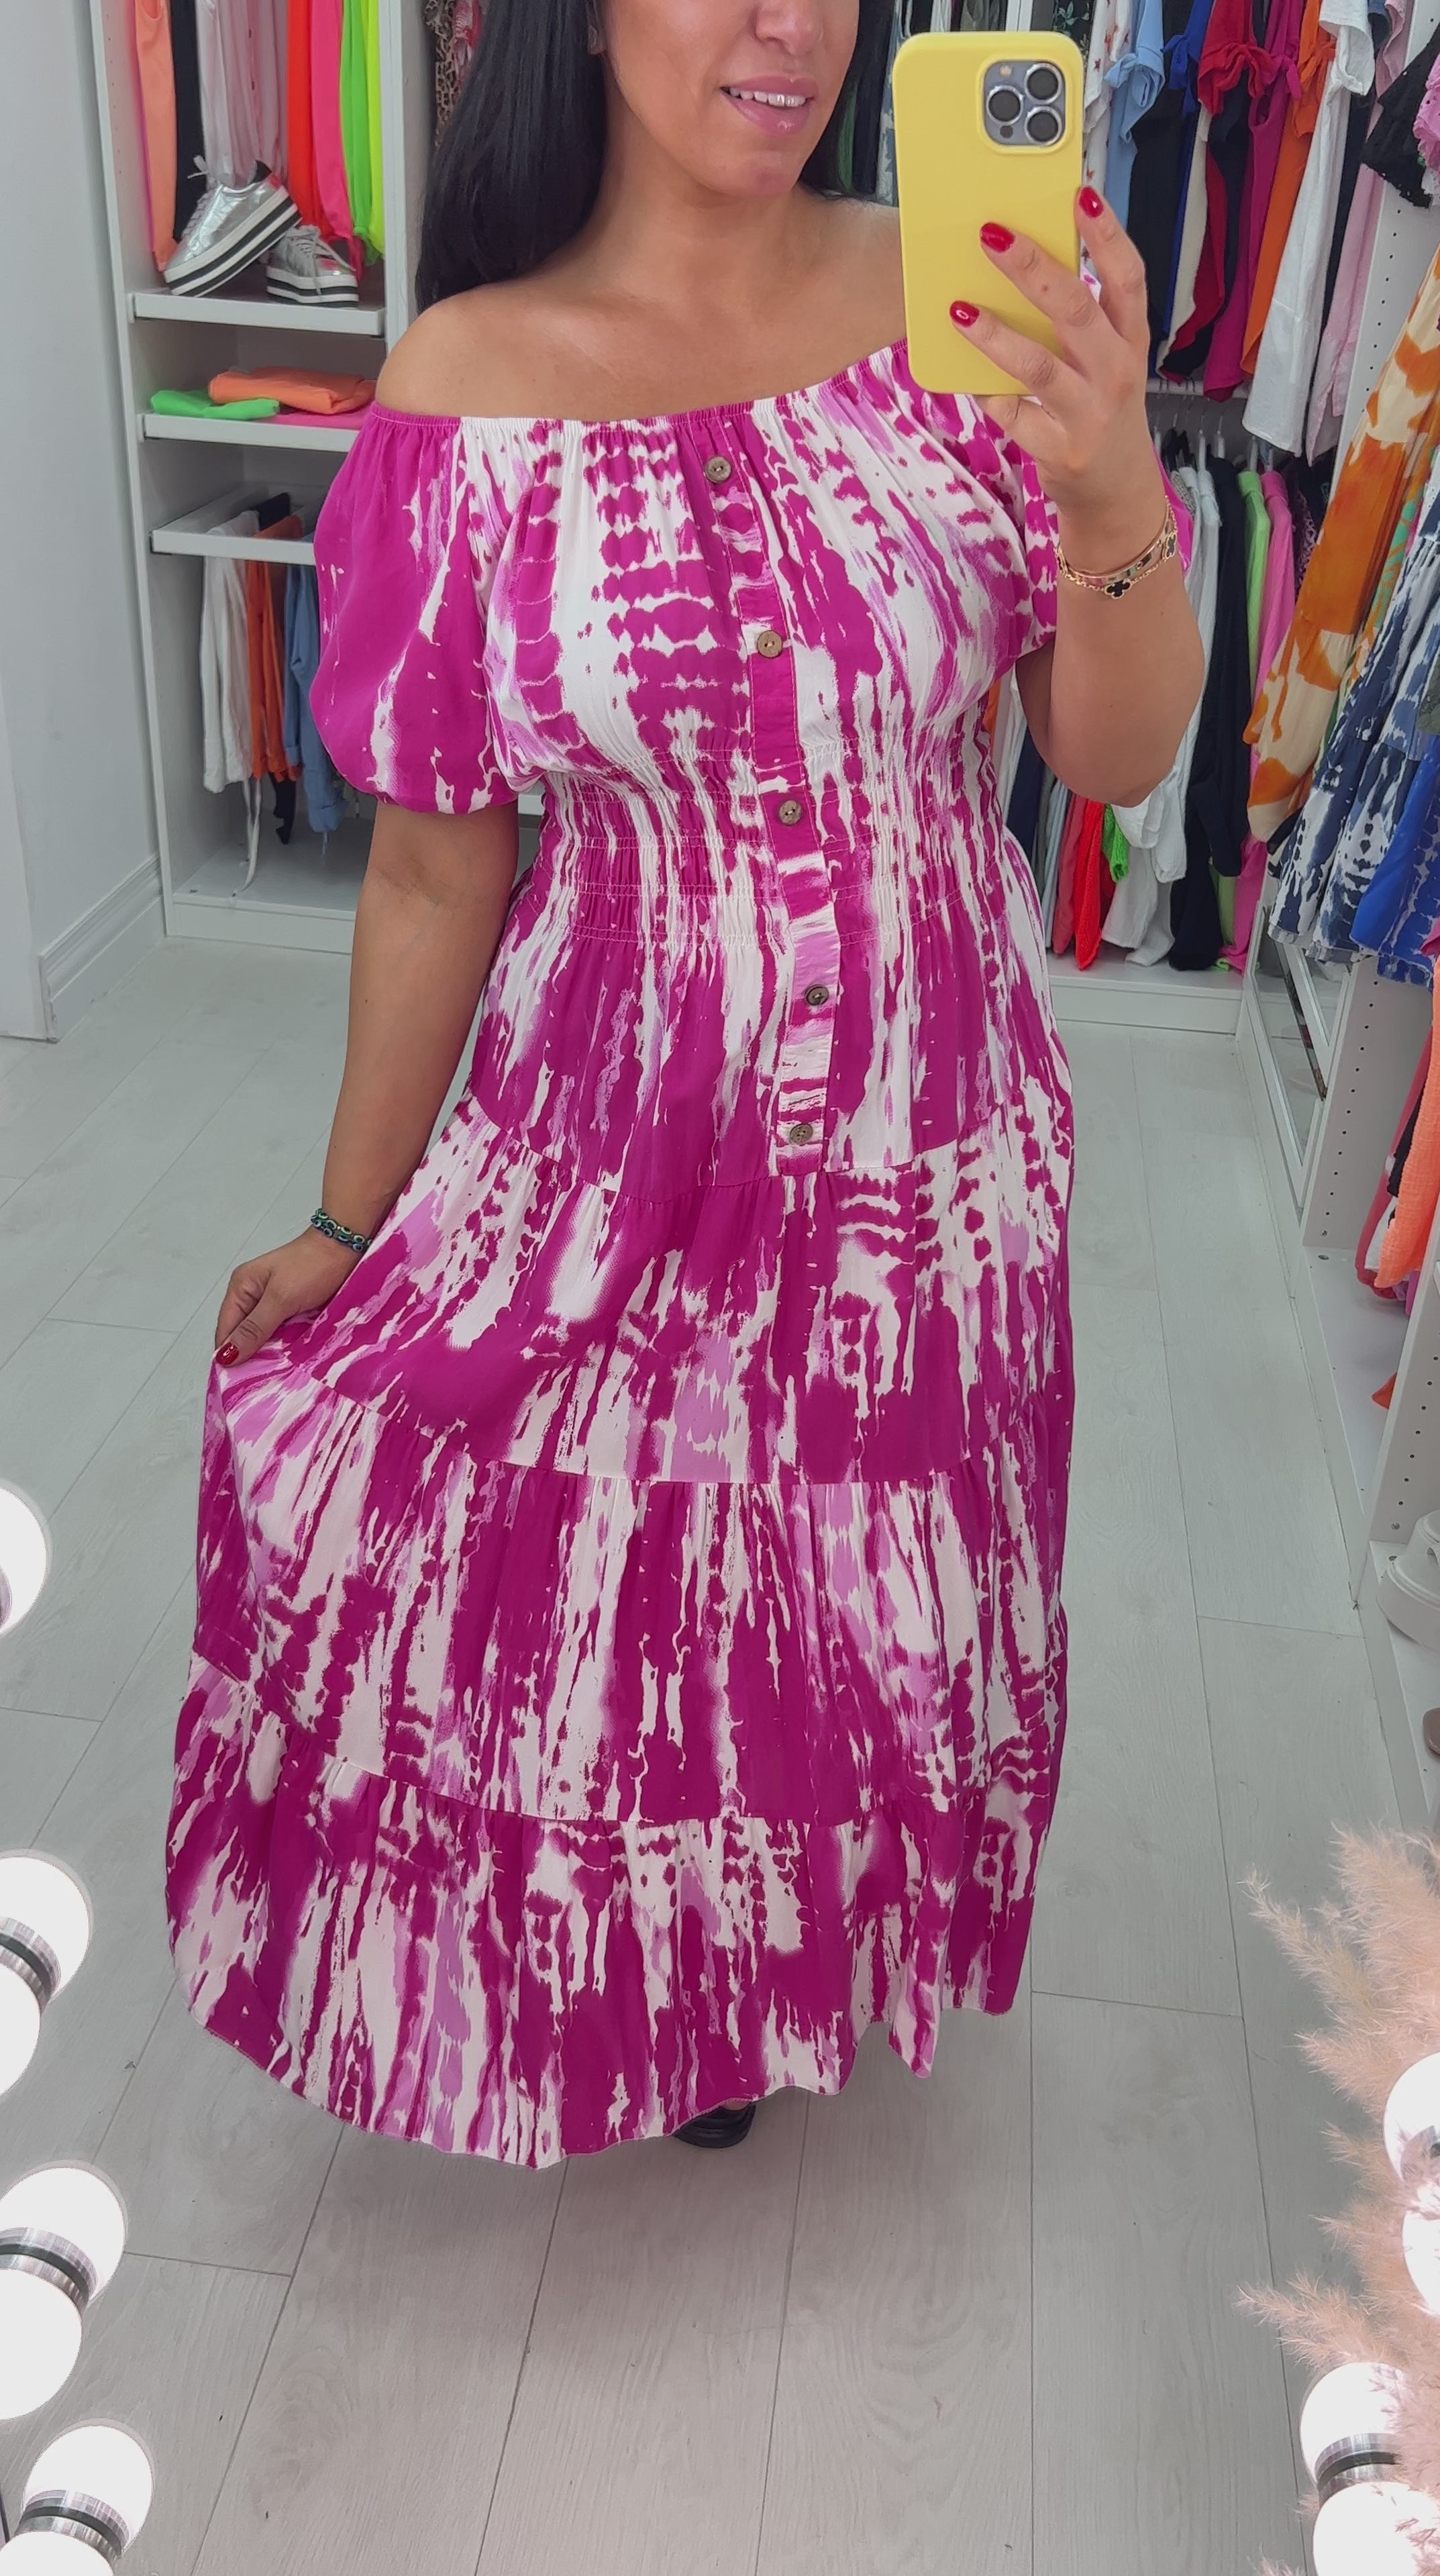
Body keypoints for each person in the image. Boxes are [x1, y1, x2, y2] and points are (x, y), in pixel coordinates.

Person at [166, 0, 1202, 2165]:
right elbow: (435, 869)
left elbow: (1112, 759)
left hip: (928, 1147)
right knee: (622, 1592)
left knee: (856, 1607)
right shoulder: (470, 385)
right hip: (617, 1137)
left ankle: (786, 1974)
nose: (786, 24)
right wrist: (349, 1221)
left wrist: (1109, 477)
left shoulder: (965, 304)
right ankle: (645, 1987)